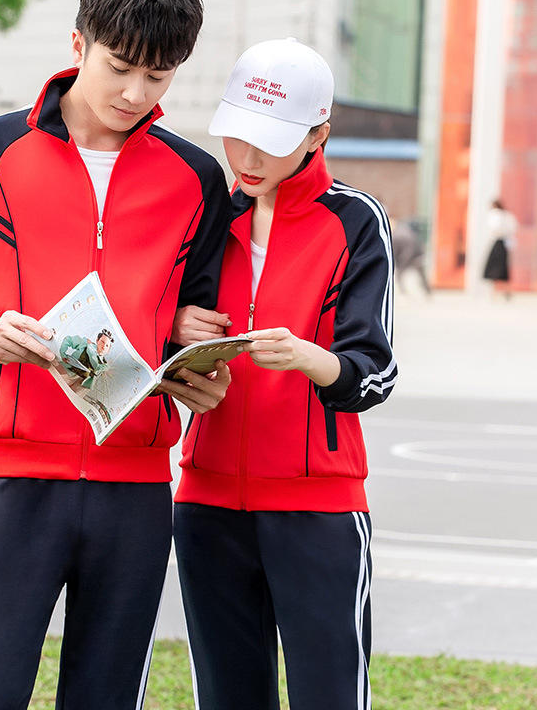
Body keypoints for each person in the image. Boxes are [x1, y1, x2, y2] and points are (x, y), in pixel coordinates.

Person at [0, 0, 232, 710]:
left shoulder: (195, 179)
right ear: (79, 44)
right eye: (120, 67)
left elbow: (202, 317)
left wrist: (195, 361)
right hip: (15, 480)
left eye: (159, 76)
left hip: (138, 491)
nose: (135, 93)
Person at [171, 39, 397, 710]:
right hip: (208, 507)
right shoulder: (212, 216)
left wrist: (309, 357)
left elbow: (374, 373)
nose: (247, 158)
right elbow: (155, 336)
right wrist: (177, 330)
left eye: (269, 140)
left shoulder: (356, 222)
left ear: (318, 134)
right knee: (227, 698)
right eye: (237, 135)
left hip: (316, 512)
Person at [482, 198, 517, 299]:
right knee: (502, 269)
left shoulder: (496, 215)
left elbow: (494, 228)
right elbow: (513, 228)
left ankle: (493, 294)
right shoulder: (507, 215)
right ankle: (504, 291)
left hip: (498, 242)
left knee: (495, 268)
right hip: (504, 243)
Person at [391, 216, 430, 295]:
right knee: (422, 275)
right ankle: (427, 292)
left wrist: (401, 264)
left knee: (400, 275)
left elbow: (402, 252)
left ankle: (403, 293)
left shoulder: (397, 235)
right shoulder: (407, 232)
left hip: (411, 257)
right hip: (416, 256)